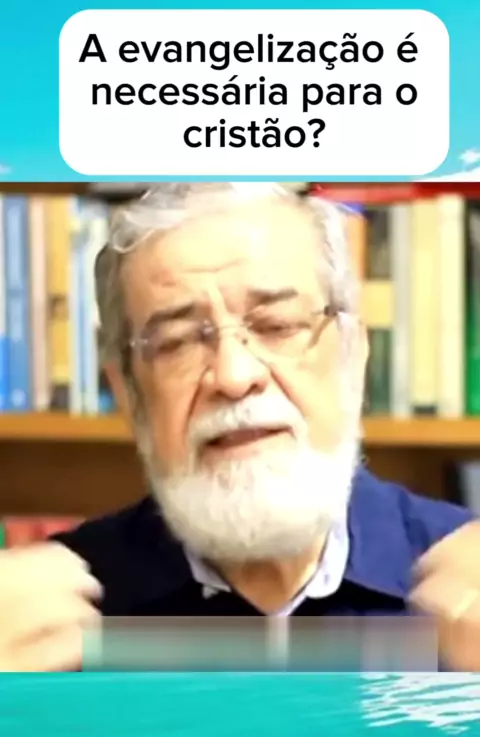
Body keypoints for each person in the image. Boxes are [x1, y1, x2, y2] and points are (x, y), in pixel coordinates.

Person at [0, 181, 479, 672]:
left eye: (278, 325)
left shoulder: (463, 582)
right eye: (177, 342)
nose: (234, 376)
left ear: (353, 352)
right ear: (127, 392)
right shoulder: (44, 622)